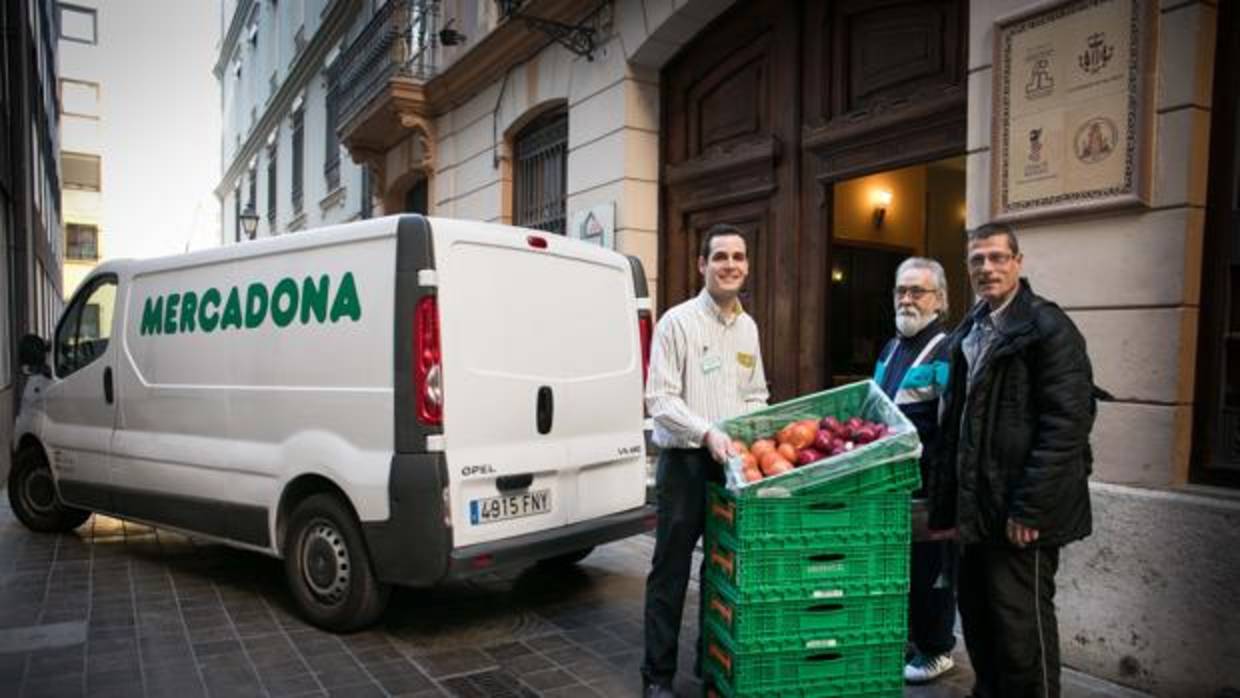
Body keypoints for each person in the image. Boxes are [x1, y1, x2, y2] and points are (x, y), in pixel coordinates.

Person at [929, 223, 1095, 698]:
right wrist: (947, 506)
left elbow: (1067, 426)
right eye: (978, 260)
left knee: (1023, 633)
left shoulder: (1048, 328)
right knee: (981, 623)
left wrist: (1030, 509)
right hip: (977, 510)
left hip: (1020, 514)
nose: (987, 268)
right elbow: (956, 424)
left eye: (998, 257)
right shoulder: (971, 327)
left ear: (1018, 262)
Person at [641, 224, 769, 698]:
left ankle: (709, 665)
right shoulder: (677, 322)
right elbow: (660, 399)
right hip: (686, 465)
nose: (730, 265)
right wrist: (708, 431)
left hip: (731, 467)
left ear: (747, 265)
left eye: (738, 257)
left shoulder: (748, 327)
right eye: (720, 257)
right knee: (670, 572)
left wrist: (756, 438)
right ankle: (656, 676)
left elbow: (756, 394)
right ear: (702, 264)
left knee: (721, 569)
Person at [873, 257, 957, 684]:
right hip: (893, 484)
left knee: (931, 572)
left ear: (939, 300)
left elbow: (951, 425)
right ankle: (910, 641)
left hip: (929, 487)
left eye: (917, 291)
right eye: (901, 290)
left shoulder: (948, 349)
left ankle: (937, 650)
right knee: (902, 570)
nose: (907, 299)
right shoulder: (891, 348)